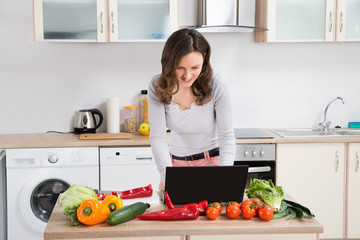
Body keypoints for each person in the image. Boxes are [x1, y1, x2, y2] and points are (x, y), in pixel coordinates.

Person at [148, 28, 236, 186]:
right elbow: (158, 138)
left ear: (204, 58)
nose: (187, 76)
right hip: (174, 167)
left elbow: (227, 136)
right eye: (180, 68)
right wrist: (167, 178)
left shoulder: (217, 84)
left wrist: (225, 177)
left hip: (213, 165)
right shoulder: (157, 85)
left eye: (195, 68)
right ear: (169, 62)